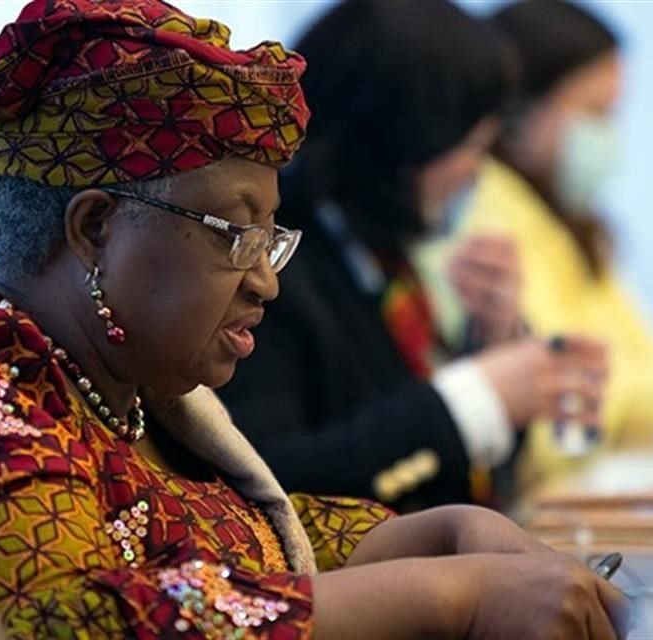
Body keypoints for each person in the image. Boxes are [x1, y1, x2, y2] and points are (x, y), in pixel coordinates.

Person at [0, 1, 628, 639]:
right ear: (94, 232)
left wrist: (443, 534)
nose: (265, 280)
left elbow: (226, 544)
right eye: (235, 234)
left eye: (273, 237)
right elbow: (78, 621)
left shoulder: (105, 390)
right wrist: (452, 592)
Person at [217, 0, 607, 512]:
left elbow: (482, 483)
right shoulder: (271, 265)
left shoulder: (382, 253)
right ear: (398, 143)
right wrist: (471, 398)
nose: (477, 172)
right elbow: (267, 479)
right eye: (469, 147)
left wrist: (491, 342)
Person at [421, 0, 653, 485]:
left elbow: (647, 357)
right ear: (518, 115)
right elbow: (566, 408)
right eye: (594, 113)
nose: (607, 137)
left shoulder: (565, 220)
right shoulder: (486, 215)